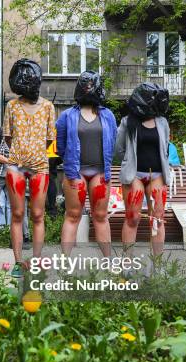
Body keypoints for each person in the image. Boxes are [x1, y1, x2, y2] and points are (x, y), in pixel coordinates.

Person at [56, 71, 118, 257]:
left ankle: (109, 261)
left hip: (100, 172)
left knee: (100, 216)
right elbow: (60, 146)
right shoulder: (67, 116)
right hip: (76, 173)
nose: (89, 88)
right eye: (86, 85)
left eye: (92, 85)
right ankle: (65, 262)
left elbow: (112, 142)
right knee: (72, 215)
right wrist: (70, 163)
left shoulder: (108, 116)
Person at [4, 59, 56, 277]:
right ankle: (17, 262)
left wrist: (32, 154)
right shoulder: (12, 106)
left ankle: (36, 259)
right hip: (16, 166)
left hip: (40, 168)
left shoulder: (48, 107)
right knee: (17, 213)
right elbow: (8, 137)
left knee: (37, 214)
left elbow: (49, 140)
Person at [115, 82, 171, 257]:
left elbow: (166, 147)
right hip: (135, 176)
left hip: (158, 176)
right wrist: (129, 160)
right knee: (132, 218)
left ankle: (158, 263)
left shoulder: (162, 122)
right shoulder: (127, 122)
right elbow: (119, 148)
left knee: (158, 220)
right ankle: (127, 263)